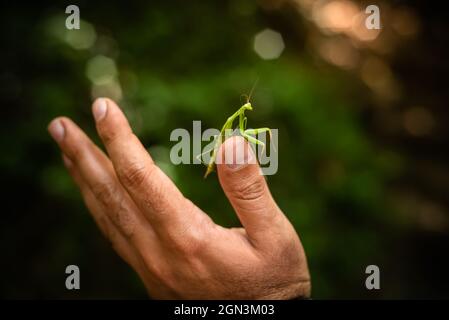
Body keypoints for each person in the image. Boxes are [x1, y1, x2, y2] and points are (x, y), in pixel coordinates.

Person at [47, 98, 311, 299]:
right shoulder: (234, 124)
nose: (248, 109)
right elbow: (233, 135)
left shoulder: (240, 120)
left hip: (229, 145)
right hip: (222, 148)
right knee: (230, 145)